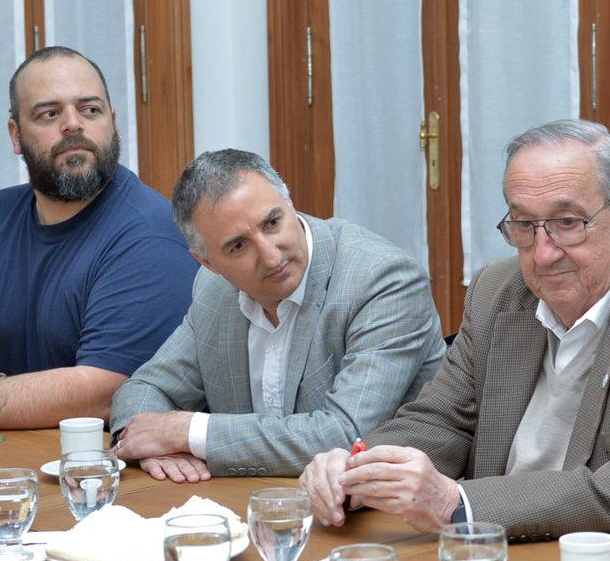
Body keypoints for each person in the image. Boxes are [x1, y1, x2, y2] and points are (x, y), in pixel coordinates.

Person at [297, 119, 610, 540]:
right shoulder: (498, 291)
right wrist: (358, 468)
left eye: (568, 223)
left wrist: (460, 504)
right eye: (524, 225)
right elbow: (443, 420)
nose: (543, 254)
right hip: (492, 556)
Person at [0, 46, 195, 428]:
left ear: (113, 122)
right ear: (16, 135)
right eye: (49, 113)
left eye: (90, 110)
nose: (73, 125)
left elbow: (102, 392)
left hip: (120, 472)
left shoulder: (150, 233)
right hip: (15, 464)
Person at [109, 150, 446, 480]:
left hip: (386, 515)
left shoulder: (381, 279)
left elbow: (345, 436)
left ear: (290, 203)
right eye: (238, 246)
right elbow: (143, 388)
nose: (271, 257)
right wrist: (153, 445)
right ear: (208, 264)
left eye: (272, 223)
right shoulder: (214, 290)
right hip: (258, 506)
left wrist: (190, 432)